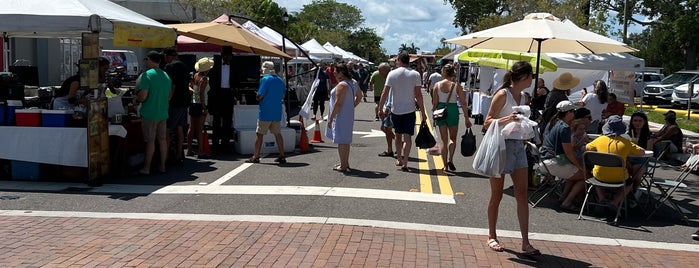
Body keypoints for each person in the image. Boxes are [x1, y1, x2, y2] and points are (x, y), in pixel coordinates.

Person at [482, 61, 539, 255]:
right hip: (501, 145)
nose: (533, 79)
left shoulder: (523, 97)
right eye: (531, 76)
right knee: (496, 194)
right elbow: (487, 122)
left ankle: (525, 242)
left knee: (522, 194)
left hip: (517, 146)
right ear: (523, 77)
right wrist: (509, 118)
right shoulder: (502, 94)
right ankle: (491, 235)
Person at [378, 51, 427, 171]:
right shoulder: (415, 74)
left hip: (396, 110)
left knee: (398, 135)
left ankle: (399, 158)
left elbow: (385, 93)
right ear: (409, 60)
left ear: (399, 60)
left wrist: (380, 108)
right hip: (409, 110)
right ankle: (405, 162)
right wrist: (423, 112)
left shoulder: (392, 74)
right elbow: (418, 95)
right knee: (408, 137)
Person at [586, 115, 645, 210]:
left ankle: (601, 198)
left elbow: (586, 148)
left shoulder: (599, 140)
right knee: (629, 183)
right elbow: (642, 153)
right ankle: (615, 202)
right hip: (619, 178)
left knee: (597, 177)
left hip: (599, 175)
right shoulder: (626, 143)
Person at [541, 100, 585, 213]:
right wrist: (580, 166)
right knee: (585, 176)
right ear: (569, 112)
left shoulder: (555, 122)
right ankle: (567, 202)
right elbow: (569, 153)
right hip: (553, 162)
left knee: (575, 174)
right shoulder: (564, 128)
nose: (574, 114)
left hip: (545, 160)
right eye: (573, 111)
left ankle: (563, 197)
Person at [135, 51, 172, 175]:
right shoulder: (166, 75)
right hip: (163, 111)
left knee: (150, 141)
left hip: (150, 112)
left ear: (150, 60)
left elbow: (143, 96)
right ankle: (162, 166)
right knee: (162, 140)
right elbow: (169, 95)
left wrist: (137, 99)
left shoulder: (147, 75)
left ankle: (147, 167)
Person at [431, 64, 472, 172]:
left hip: (440, 110)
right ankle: (451, 159)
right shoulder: (456, 85)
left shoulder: (437, 85)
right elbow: (463, 103)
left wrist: (433, 115)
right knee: (453, 138)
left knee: (444, 140)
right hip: (453, 110)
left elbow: (434, 103)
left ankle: (445, 165)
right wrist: (467, 118)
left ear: (444, 72)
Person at [246, 61, 287, 164]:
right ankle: (282, 155)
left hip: (265, 112)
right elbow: (282, 96)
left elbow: (260, 96)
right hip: (277, 111)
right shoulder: (280, 80)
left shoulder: (265, 79)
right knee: (277, 134)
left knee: (259, 134)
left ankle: (256, 156)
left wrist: (257, 95)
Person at [326, 63, 363, 172]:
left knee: (341, 141)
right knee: (345, 140)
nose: (333, 73)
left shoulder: (342, 85)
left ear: (341, 72)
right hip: (348, 115)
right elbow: (359, 97)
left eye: (335, 71)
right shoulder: (353, 82)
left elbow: (338, 103)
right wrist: (351, 106)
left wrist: (331, 118)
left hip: (340, 115)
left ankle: (343, 165)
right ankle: (345, 162)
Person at [163, 47, 192, 164]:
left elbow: (172, 86)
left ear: (168, 56)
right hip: (184, 100)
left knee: (168, 129)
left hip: (174, 101)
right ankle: (179, 154)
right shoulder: (184, 66)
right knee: (180, 128)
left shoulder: (170, 67)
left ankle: (166, 158)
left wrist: (168, 99)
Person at [208, 46, 236, 153]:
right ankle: (215, 144)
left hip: (228, 93)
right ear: (223, 56)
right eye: (227, 56)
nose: (228, 58)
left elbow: (235, 79)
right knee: (216, 120)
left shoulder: (234, 66)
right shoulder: (215, 66)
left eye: (230, 56)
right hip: (217, 94)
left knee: (227, 120)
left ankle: (226, 143)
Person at [187, 57, 213, 159]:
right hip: (200, 104)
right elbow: (202, 93)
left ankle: (189, 150)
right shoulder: (204, 79)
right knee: (199, 129)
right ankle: (200, 151)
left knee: (191, 127)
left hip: (193, 103)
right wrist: (204, 107)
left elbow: (190, 87)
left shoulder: (195, 75)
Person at [378, 89, 395, 157]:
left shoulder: (391, 80)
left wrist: (387, 108)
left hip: (389, 110)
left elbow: (390, 96)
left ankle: (390, 149)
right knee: (384, 128)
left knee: (387, 129)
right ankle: (398, 143)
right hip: (389, 108)